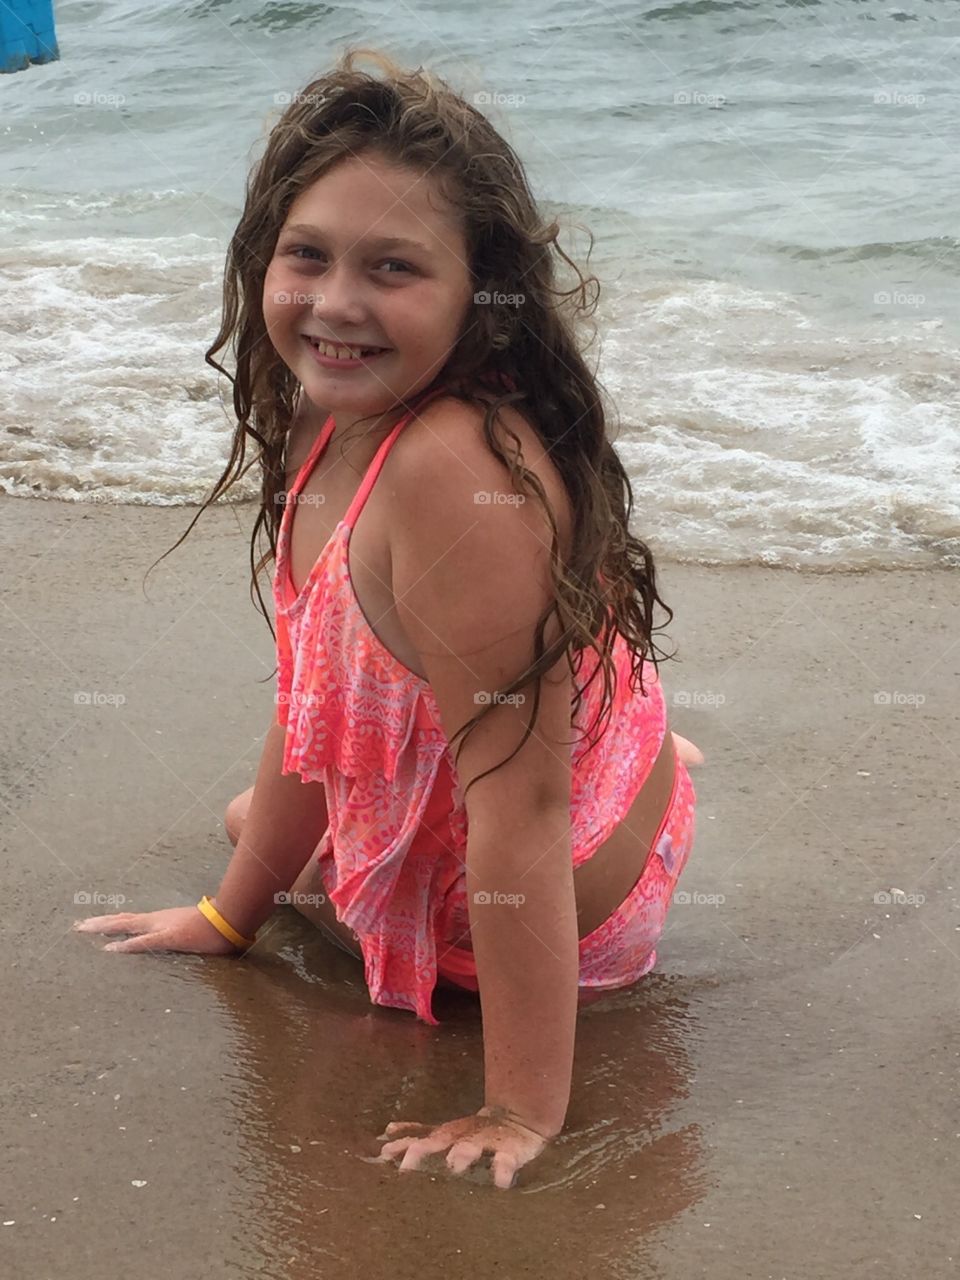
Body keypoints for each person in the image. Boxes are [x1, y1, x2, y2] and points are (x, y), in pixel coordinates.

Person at [74, 47, 705, 1191]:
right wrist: (227, 913)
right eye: (306, 254)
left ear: (482, 296)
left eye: (394, 267)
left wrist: (520, 1106)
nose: (334, 303)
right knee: (261, 830)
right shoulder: (325, 412)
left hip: (556, 894)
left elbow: (521, 807)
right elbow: (321, 702)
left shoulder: (453, 472)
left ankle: (624, 760)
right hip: (539, 777)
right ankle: (620, 734)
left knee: (280, 833)